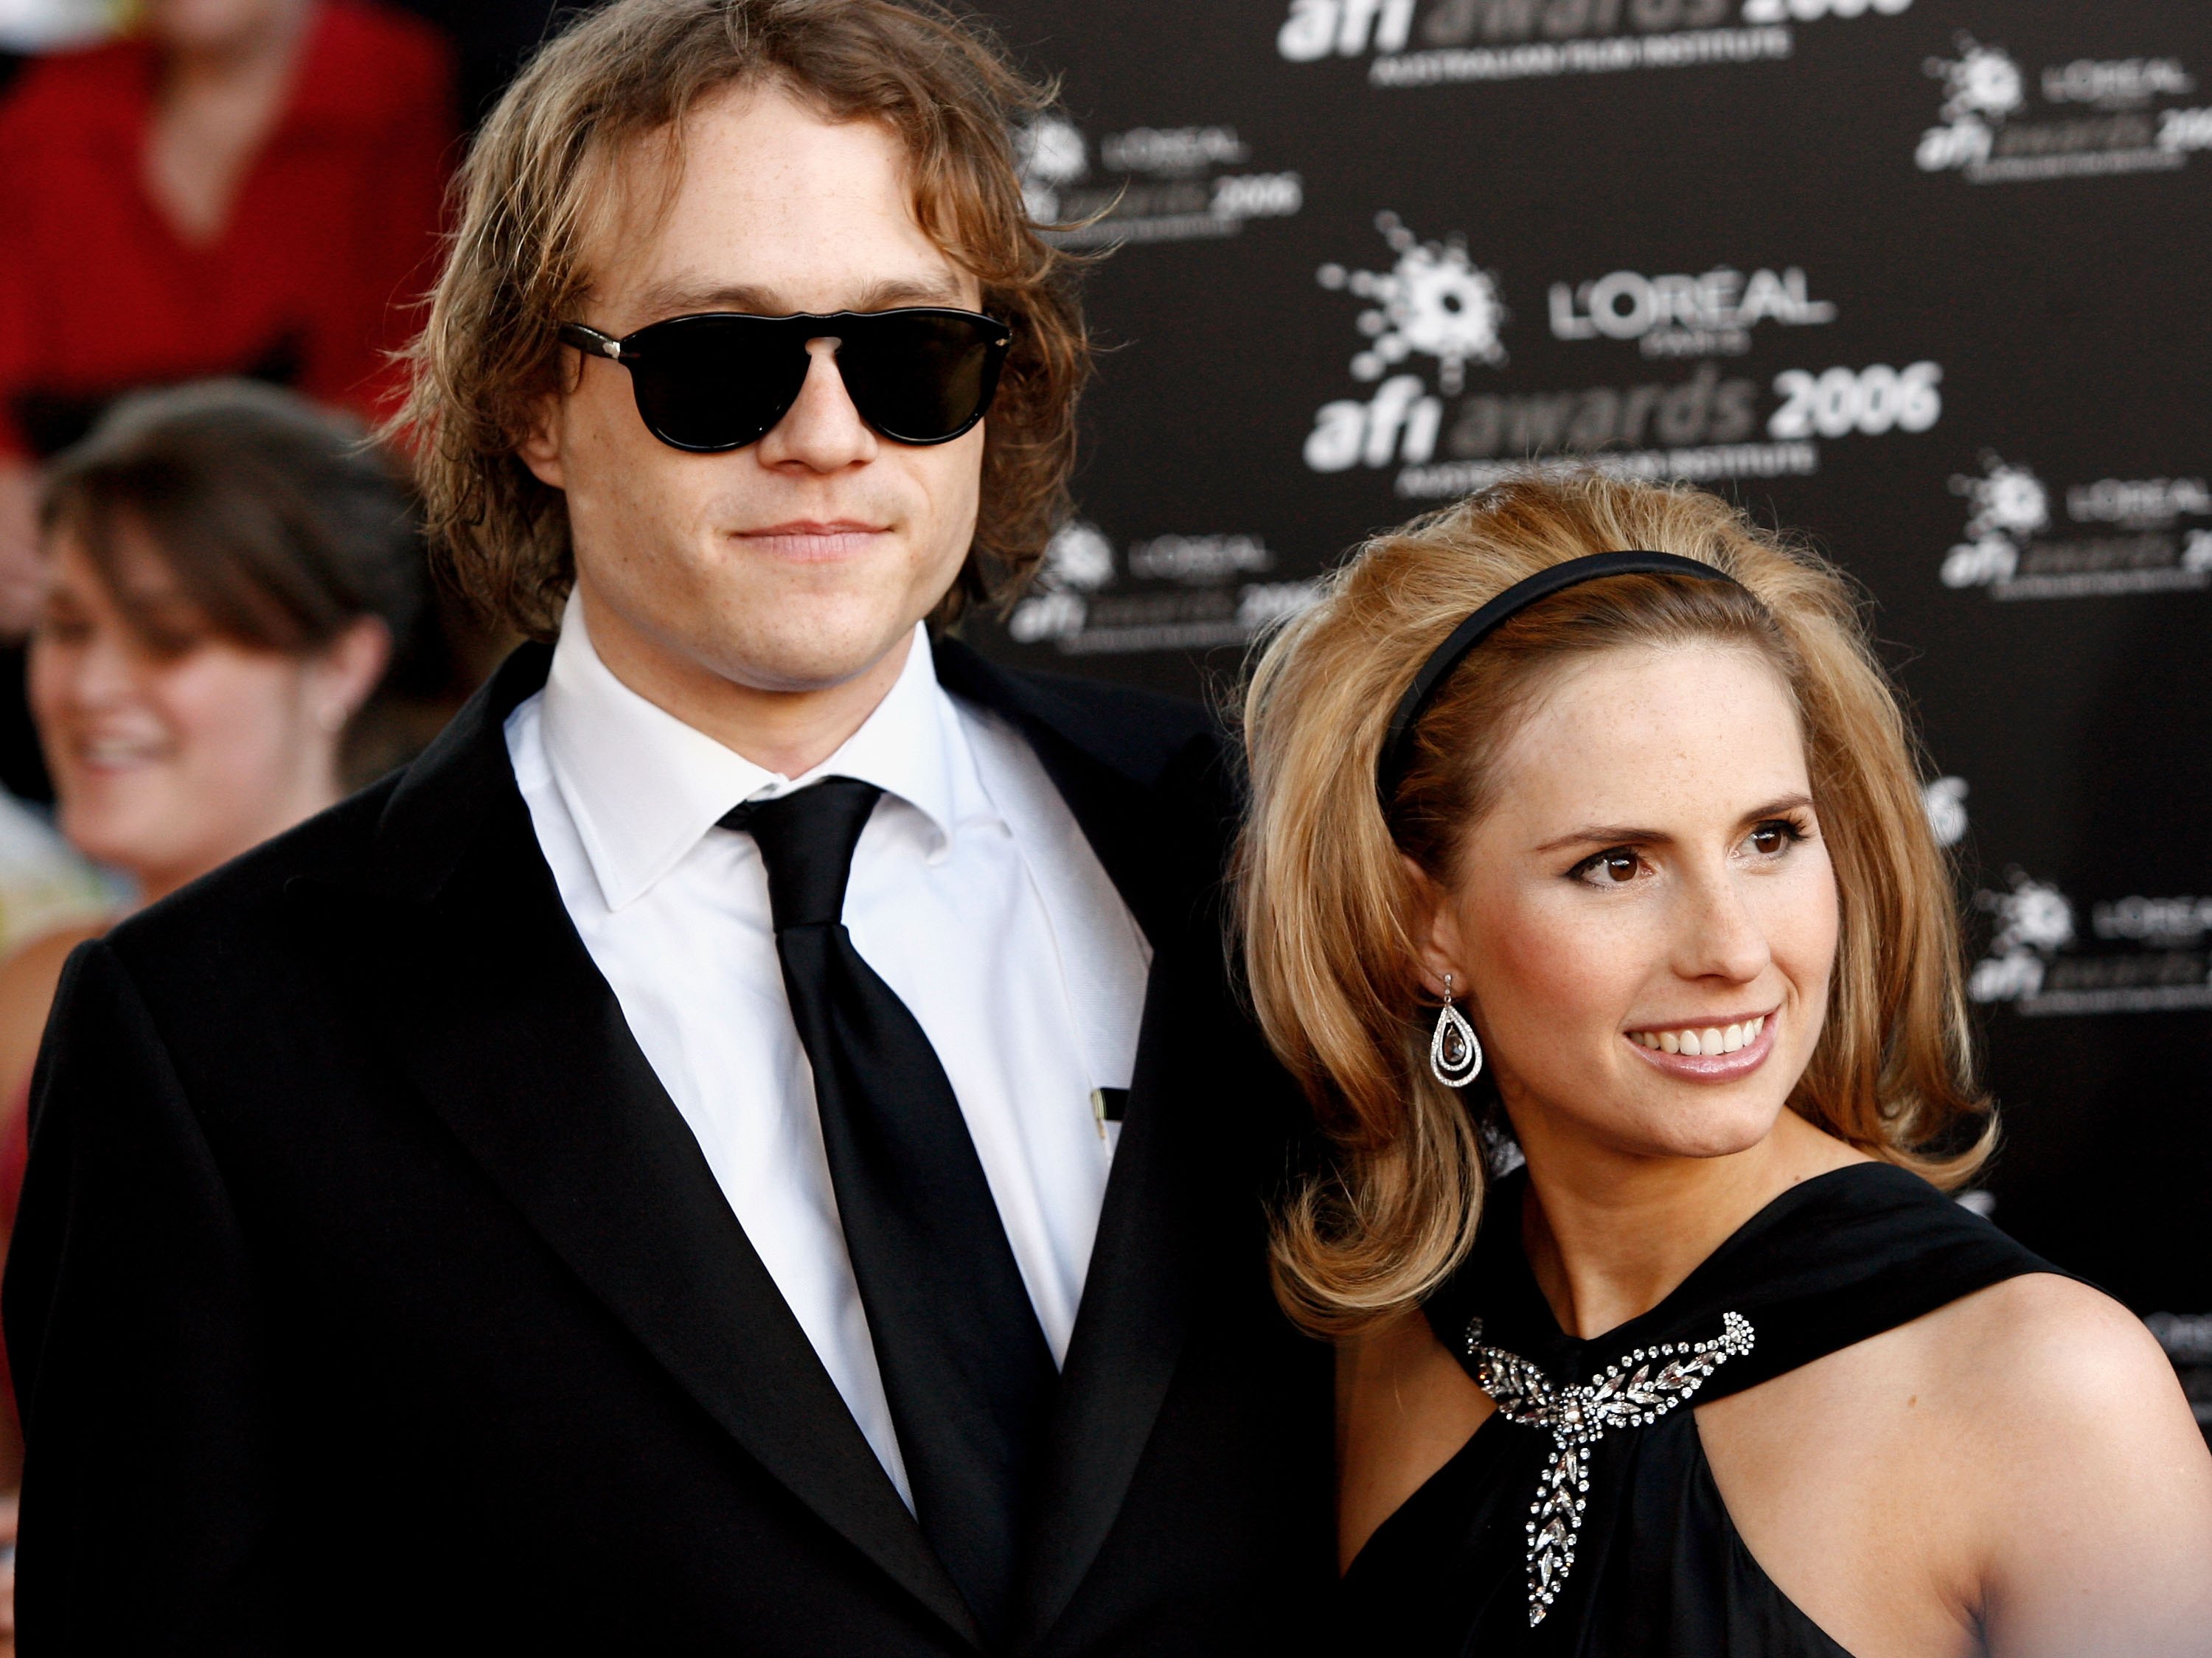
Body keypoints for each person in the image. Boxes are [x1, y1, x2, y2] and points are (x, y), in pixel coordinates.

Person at [2, 2, 1334, 1651]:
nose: (828, 434)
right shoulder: (213, 1029)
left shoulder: (1254, 850)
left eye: (913, 354)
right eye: (720, 362)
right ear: (529, 405)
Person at [1236, 474, 2212, 1657]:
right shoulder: (1384, 1352)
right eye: (1616, 864)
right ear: (1423, 924)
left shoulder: (2050, 1394)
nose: (1735, 949)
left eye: (1770, 838)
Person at [0, 378, 422, 1552]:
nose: (89, 687)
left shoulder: (446, 995)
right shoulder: (40, 982)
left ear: (341, 666)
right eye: (72, 625)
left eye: (171, 634)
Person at [0, 0, 453, 794]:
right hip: (65, 569)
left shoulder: (404, 83)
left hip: (295, 555)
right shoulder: (55, 102)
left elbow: (427, 363)